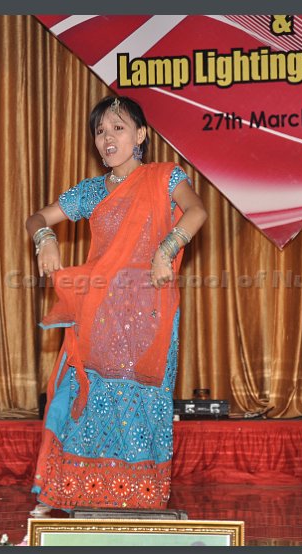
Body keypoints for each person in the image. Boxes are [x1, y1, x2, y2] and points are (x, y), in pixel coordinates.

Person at [25, 96, 207, 515]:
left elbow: (197, 211)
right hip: (99, 314)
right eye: (100, 131)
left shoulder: (164, 177)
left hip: (149, 316)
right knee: (87, 399)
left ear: (140, 135)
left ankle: (141, 498)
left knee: (141, 403)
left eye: (118, 128)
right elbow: (38, 218)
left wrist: (167, 248)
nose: (107, 138)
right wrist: (44, 238)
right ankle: (69, 491)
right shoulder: (91, 191)